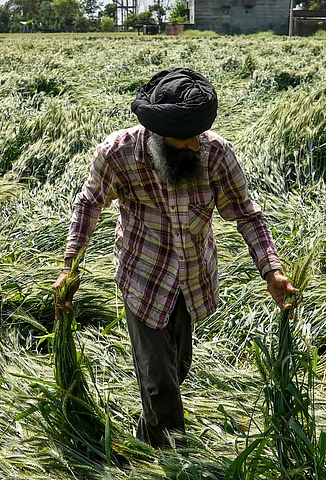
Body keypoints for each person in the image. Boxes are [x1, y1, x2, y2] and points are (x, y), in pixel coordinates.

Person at [54, 67, 297, 448]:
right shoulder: (118, 155)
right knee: (158, 379)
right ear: (158, 137)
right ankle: (170, 467)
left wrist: (272, 271)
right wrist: (69, 267)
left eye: (197, 136)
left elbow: (247, 214)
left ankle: (148, 432)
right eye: (185, 141)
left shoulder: (215, 154)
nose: (196, 147)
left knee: (176, 368)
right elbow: (89, 205)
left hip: (193, 278)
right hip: (143, 276)